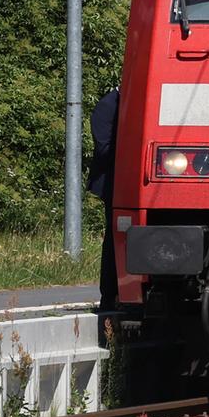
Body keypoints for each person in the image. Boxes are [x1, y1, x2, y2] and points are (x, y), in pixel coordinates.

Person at [89, 87, 120, 310]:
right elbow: (103, 148)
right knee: (112, 238)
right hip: (112, 182)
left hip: (123, 180)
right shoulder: (108, 105)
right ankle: (108, 296)